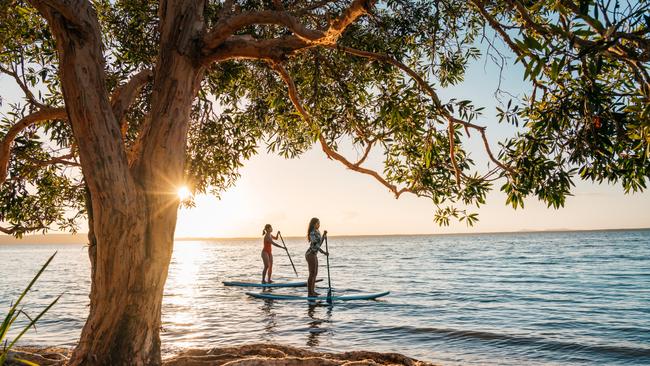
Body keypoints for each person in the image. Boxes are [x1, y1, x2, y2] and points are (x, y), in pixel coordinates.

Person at [305, 217, 328, 297]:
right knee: (312, 273)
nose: (319, 225)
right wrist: (323, 252)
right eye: (318, 223)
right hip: (310, 254)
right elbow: (315, 244)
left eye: (319, 223)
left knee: (315, 273)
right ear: (314, 224)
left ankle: (313, 291)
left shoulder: (318, 231)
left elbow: (319, 243)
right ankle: (310, 293)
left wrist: (324, 236)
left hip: (314, 254)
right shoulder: (312, 233)